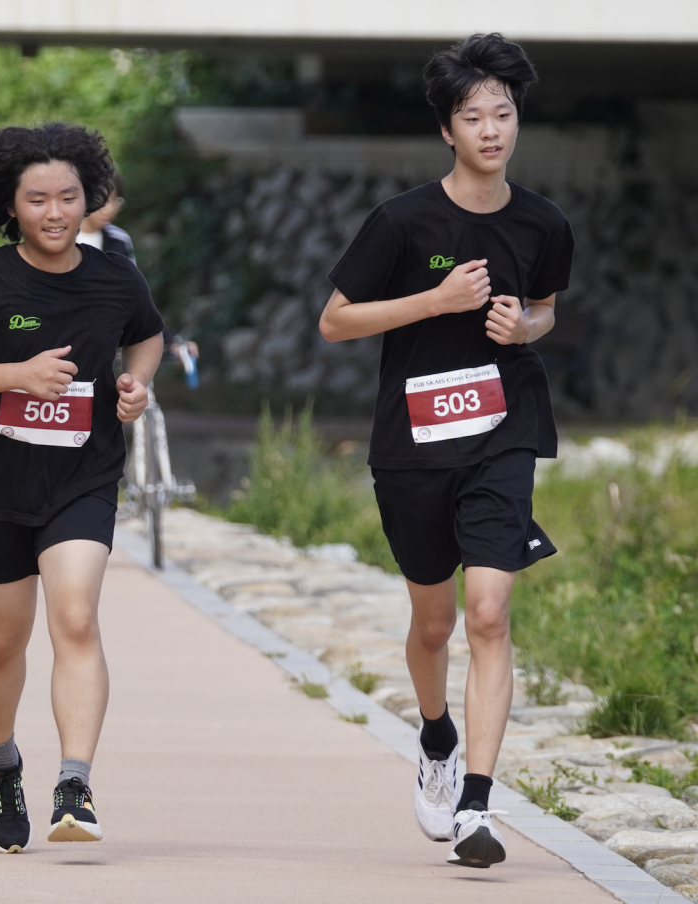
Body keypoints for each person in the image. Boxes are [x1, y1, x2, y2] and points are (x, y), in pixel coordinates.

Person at [319, 33, 573, 869]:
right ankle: (436, 738)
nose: (492, 129)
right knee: (432, 622)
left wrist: (523, 325)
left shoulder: (543, 222)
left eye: (503, 114)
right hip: (415, 443)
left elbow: (545, 309)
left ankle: (475, 807)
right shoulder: (401, 222)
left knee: (488, 612)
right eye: (475, 116)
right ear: (448, 130)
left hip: (505, 430)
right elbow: (337, 320)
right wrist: (433, 301)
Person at [0, 123, 164, 853]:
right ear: (11, 205)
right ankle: (2, 763)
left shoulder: (116, 277)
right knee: (1, 642)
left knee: (76, 615)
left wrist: (136, 384)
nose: (56, 212)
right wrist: (14, 376)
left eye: (69, 197)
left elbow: (146, 334)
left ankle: (76, 784)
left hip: (82, 477)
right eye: (38, 200)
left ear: (90, 199)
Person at [79, 173, 198, 365]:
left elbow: (133, 296)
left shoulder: (119, 240)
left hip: (114, 336)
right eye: (103, 200)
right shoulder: (63, 239)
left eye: (116, 200)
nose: (109, 208)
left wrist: (168, 340)